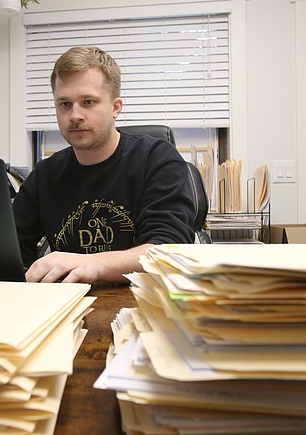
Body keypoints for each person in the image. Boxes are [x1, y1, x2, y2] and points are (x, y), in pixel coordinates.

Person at [13, 46, 195, 284]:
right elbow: (11, 249)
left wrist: (93, 264)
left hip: (142, 303)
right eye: (65, 104)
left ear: (115, 107)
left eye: (88, 102)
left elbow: (167, 250)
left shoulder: (157, 158)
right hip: (65, 305)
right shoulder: (46, 174)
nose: (75, 115)